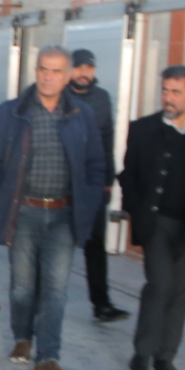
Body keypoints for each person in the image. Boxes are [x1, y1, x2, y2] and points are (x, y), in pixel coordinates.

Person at [0, 46, 108, 370]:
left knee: (56, 289)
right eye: (43, 69)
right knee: (22, 287)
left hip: (64, 214)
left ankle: (48, 356)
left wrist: (90, 202)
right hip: (23, 213)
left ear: (67, 76)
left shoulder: (81, 114)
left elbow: (96, 163)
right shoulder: (12, 112)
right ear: (35, 71)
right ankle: (23, 337)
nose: (48, 77)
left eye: (56, 71)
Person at [119, 66, 185, 370]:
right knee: (160, 285)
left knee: (181, 291)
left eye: (176, 92)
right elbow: (129, 175)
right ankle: (142, 352)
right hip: (157, 223)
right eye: (165, 90)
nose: (168, 98)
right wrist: (136, 211)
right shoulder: (143, 128)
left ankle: (165, 356)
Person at [68, 49, 131, 323]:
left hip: (93, 183)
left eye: (89, 68)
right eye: (79, 67)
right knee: (58, 244)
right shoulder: (60, 96)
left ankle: (102, 304)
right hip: (62, 183)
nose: (84, 73)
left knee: (95, 245)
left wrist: (107, 182)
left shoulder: (102, 98)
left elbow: (107, 140)